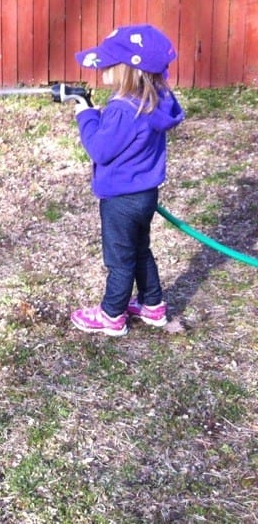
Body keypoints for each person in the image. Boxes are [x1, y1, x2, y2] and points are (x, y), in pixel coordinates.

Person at [62, 24, 185, 336]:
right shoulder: (153, 100)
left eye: (108, 63)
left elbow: (100, 149)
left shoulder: (121, 109)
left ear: (130, 69)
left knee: (120, 259)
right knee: (140, 250)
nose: (102, 68)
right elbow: (124, 138)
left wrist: (85, 114)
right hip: (144, 196)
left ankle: (111, 315)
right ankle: (152, 305)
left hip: (120, 200)